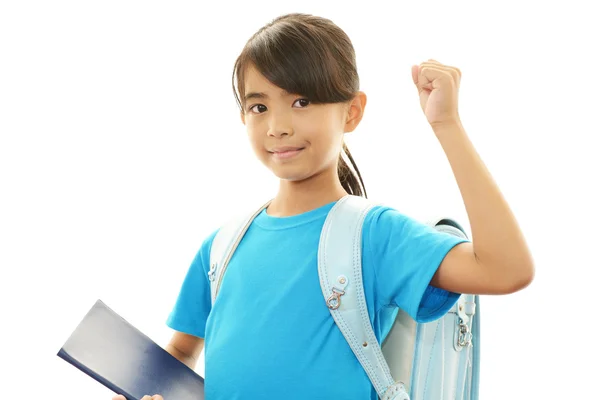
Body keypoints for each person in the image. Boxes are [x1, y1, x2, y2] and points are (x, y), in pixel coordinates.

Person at [112, 12, 534, 400]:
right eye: (259, 106)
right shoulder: (221, 248)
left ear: (352, 112)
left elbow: (506, 268)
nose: (278, 127)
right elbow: (183, 351)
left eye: (302, 102)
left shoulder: (372, 235)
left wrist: (447, 125)